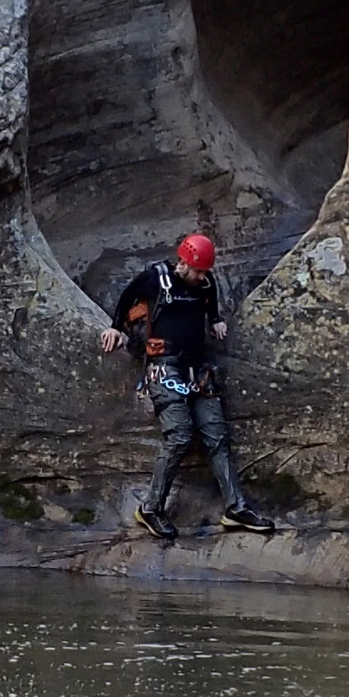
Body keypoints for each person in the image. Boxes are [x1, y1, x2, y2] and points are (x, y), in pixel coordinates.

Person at [103, 230, 275, 542]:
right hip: (164, 368)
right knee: (179, 436)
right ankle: (151, 508)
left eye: (204, 271)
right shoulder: (156, 278)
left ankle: (235, 508)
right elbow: (128, 296)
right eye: (196, 270)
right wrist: (116, 328)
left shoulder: (205, 282)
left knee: (217, 436)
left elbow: (209, 300)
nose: (200, 276)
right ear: (183, 262)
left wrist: (216, 318)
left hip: (198, 370)